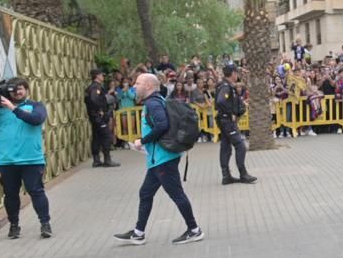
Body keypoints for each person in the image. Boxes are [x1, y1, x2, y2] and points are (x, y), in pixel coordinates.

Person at [114, 73, 203, 246]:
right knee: (145, 193)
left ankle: (194, 230)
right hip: (157, 160)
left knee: (176, 194)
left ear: (148, 86)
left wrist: (142, 141)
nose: (134, 86)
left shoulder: (153, 103)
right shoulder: (156, 101)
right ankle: (139, 233)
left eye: (138, 83)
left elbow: (162, 125)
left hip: (163, 159)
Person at [0, 77, 52, 239]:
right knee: (10, 195)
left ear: (26, 90)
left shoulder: (35, 106)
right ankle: (14, 225)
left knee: (36, 192)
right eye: (13, 89)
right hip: (6, 161)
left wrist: (13, 108)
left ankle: (45, 224)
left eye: (20, 88)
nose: (16, 92)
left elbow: (36, 120)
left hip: (31, 160)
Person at [215, 65, 257, 184]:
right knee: (240, 146)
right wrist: (230, 113)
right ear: (233, 73)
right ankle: (243, 174)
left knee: (225, 146)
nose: (237, 75)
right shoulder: (225, 87)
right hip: (227, 121)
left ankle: (226, 176)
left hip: (223, 121)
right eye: (236, 73)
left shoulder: (226, 85)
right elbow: (221, 101)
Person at [85, 68, 120, 168]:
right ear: (97, 76)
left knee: (97, 137)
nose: (103, 77)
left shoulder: (91, 87)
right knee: (107, 136)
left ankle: (96, 160)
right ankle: (107, 160)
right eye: (102, 75)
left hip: (94, 116)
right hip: (98, 117)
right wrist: (100, 110)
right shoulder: (96, 88)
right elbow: (94, 100)